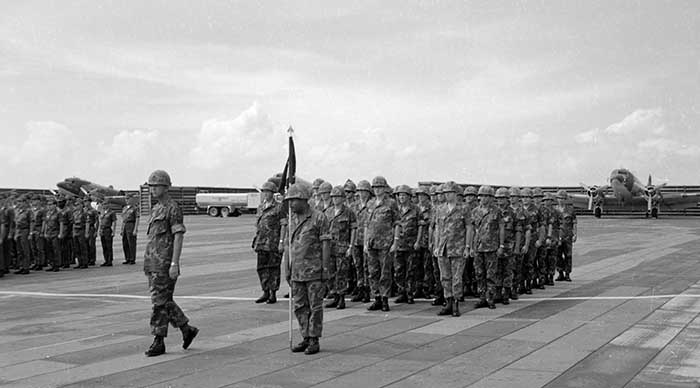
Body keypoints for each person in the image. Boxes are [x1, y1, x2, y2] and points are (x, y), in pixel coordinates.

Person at [143, 170, 198, 357]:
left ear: (166, 187)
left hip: (164, 264)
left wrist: (174, 263)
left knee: (159, 303)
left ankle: (158, 341)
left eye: (156, 186)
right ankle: (186, 329)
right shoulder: (156, 208)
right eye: (150, 186)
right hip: (152, 263)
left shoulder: (172, 208)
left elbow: (178, 236)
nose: (152, 189)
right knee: (164, 300)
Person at [283, 182, 330, 355]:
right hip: (296, 271)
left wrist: (325, 269)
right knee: (300, 306)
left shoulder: (319, 218)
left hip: (314, 271)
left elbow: (326, 244)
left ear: (304, 199)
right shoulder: (291, 220)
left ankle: (314, 339)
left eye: (294, 200)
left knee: (315, 306)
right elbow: (288, 246)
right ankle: (305, 336)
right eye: (289, 201)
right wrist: (286, 268)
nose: (291, 204)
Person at [433, 181, 470, 316]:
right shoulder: (440, 209)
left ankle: (455, 303)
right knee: (445, 277)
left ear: (455, 193)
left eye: (449, 193)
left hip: (458, 247)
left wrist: (467, 246)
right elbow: (437, 228)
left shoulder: (464, 208)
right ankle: (448, 301)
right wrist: (436, 245)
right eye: (445, 193)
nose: (447, 195)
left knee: (457, 277)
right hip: (443, 248)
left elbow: (469, 227)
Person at [364, 176, 399, 312]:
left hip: (385, 243)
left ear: (385, 188)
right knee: (373, 272)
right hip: (372, 242)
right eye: (375, 187)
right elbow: (366, 224)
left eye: (379, 187)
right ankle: (376, 298)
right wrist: (366, 242)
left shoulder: (391, 203)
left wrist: (395, 242)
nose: (377, 190)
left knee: (385, 272)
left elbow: (397, 223)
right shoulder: (370, 204)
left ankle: (385, 299)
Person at [468, 186, 505, 309]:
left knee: (491, 274)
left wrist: (501, 245)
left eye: (486, 196)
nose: (483, 198)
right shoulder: (475, 211)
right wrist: (471, 247)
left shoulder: (497, 211)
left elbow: (501, 228)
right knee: (479, 273)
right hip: (478, 247)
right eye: (481, 196)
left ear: (491, 198)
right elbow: (472, 230)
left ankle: (490, 298)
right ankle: (482, 297)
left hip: (491, 247)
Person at [324, 186, 356, 309]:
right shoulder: (328, 212)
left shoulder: (349, 212)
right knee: (331, 273)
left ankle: (341, 298)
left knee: (342, 273)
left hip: (342, 247)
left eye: (338, 197)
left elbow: (353, 229)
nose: (335, 199)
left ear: (343, 198)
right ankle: (335, 296)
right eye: (334, 197)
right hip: (330, 247)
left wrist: (351, 246)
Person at [252, 181, 284, 304]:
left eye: (268, 192)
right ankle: (265, 291)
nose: (266, 194)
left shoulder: (279, 207)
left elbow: (284, 224)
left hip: (273, 243)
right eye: (264, 191)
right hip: (261, 243)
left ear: (272, 193)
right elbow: (258, 225)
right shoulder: (261, 207)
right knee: (261, 268)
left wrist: (281, 241)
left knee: (273, 269)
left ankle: (273, 293)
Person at [393, 185, 419, 305]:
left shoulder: (415, 209)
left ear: (409, 196)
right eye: (400, 195)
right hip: (398, 244)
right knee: (398, 270)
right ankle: (401, 292)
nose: (401, 197)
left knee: (411, 270)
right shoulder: (395, 210)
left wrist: (418, 241)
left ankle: (410, 293)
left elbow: (421, 226)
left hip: (411, 244)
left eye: (404, 195)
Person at [350, 180, 372, 303]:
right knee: (357, 265)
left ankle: (367, 290)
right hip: (356, 240)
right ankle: (360, 288)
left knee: (366, 266)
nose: (361, 193)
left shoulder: (371, 205)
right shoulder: (354, 206)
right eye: (360, 191)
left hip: (367, 239)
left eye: (364, 191)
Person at [556, 190, 577, 282]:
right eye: (559, 198)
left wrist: (575, 234)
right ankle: (560, 273)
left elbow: (574, 223)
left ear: (566, 199)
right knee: (558, 255)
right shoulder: (554, 210)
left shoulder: (571, 210)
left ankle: (567, 274)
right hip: (557, 236)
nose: (561, 200)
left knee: (568, 255)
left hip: (568, 235)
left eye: (563, 198)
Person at [14, 194, 32, 275]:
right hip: (18, 231)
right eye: (18, 202)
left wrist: (30, 233)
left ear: (25, 202)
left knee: (25, 250)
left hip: (25, 230)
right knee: (19, 250)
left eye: (20, 202)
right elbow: (15, 223)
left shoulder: (28, 211)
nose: (19, 203)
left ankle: (26, 267)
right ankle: (21, 266)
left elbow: (31, 222)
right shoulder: (17, 211)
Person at [43, 197, 61, 272]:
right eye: (48, 204)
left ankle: (57, 265)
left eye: (51, 204)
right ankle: (52, 264)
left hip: (55, 232)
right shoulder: (48, 213)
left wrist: (60, 233)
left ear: (55, 205)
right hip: (49, 233)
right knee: (49, 250)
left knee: (56, 249)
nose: (49, 206)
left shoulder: (58, 213)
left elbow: (61, 223)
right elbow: (46, 223)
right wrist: (44, 232)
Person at [98, 200, 118, 266]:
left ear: (108, 204)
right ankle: (106, 260)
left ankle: (110, 260)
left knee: (109, 246)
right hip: (102, 230)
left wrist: (114, 231)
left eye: (105, 204)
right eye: (103, 204)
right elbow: (100, 222)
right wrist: (100, 230)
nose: (104, 205)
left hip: (108, 230)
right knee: (104, 246)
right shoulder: (102, 212)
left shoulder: (112, 212)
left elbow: (114, 222)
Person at [121, 194, 139, 265]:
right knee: (125, 243)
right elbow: (123, 219)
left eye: (128, 199)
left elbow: (137, 218)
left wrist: (135, 229)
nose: (127, 200)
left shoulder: (135, 208)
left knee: (131, 243)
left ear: (132, 199)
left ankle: (132, 258)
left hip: (131, 224)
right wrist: (122, 229)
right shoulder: (124, 208)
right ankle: (127, 258)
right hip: (125, 225)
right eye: (126, 199)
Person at [71, 197, 88, 269]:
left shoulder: (84, 213)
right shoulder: (74, 213)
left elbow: (87, 223)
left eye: (78, 204)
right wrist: (73, 232)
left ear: (81, 205)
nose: (77, 206)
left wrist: (86, 233)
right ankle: (80, 262)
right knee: (77, 248)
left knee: (82, 247)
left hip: (81, 230)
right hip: (76, 231)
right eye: (76, 205)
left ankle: (84, 263)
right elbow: (73, 223)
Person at [85, 198, 99, 266]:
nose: (85, 203)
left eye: (86, 201)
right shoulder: (84, 210)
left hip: (91, 228)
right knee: (86, 245)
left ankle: (92, 259)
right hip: (85, 228)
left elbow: (97, 221)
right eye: (84, 201)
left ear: (89, 202)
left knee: (91, 245)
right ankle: (87, 258)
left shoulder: (94, 211)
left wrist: (96, 231)